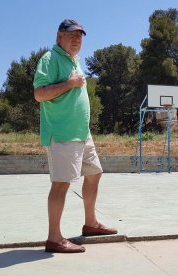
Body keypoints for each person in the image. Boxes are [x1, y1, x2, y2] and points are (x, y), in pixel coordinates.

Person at [33, 19, 117, 254]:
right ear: (59, 36)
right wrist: (69, 83)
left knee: (95, 174)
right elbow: (39, 94)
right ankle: (54, 239)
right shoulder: (50, 59)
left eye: (80, 36)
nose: (76, 39)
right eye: (71, 35)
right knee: (61, 184)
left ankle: (90, 224)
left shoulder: (74, 62)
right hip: (61, 133)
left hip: (81, 134)